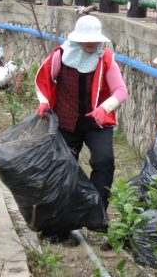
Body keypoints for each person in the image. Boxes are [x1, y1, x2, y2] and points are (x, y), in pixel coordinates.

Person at [34, 15, 128, 238]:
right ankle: (60, 226)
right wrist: (44, 102)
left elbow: (120, 91)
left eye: (95, 40)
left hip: (97, 123)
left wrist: (104, 108)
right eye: (87, 39)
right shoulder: (60, 56)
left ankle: (96, 215)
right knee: (63, 169)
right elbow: (42, 81)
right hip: (66, 123)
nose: (91, 44)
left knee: (104, 162)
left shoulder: (106, 59)